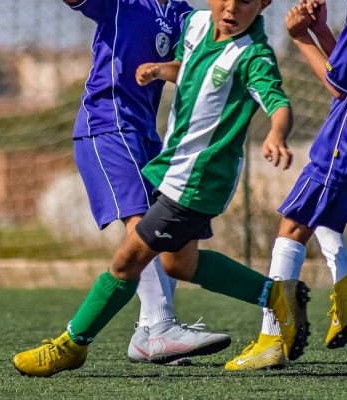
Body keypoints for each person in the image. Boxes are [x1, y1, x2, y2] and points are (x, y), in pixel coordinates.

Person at [13, 0, 311, 377]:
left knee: (132, 256)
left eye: (246, 1)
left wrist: (276, 133)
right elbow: (195, 70)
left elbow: (276, 100)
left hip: (191, 175)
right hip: (136, 143)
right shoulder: (177, 18)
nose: (232, 7)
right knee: (177, 261)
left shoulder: (237, 45)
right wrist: (160, 70)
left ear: (263, 4)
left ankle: (79, 343)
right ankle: (268, 299)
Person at [225, 0, 347, 370]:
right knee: (324, 208)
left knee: (293, 223)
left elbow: (337, 86)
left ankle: (271, 340)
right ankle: (345, 286)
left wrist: (300, 37)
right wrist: (322, 31)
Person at [58, 0, 231, 366]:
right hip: (108, 125)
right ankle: (163, 327)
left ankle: (145, 334)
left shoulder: (182, 14)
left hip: (146, 134)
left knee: (170, 230)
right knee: (144, 225)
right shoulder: (121, 3)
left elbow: (199, 63)